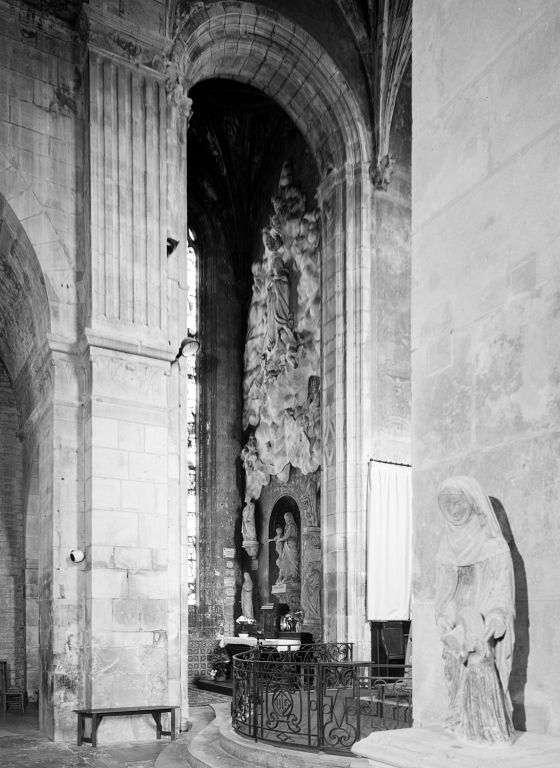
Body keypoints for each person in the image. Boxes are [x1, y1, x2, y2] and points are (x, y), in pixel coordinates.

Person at [435, 476, 515, 744]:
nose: (455, 510)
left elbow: (501, 591)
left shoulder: (493, 545)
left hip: (480, 627)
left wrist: (496, 617)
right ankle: (460, 723)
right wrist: (444, 619)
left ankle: (488, 733)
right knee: (456, 685)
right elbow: (446, 594)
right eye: (449, 505)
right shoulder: (447, 545)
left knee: (481, 679)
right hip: (458, 628)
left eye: (458, 503)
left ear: (472, 502)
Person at [276, 511, 300, 582]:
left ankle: (294, 576)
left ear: (290, 518)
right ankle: (288, 576)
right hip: (287, 545)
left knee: (293, 560)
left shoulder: (292, 526)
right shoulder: (288, 526)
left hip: (292, 545)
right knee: (286, 560)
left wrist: (280, 539)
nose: (285, 520)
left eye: (286, 518)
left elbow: (287, 536)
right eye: (285, 518)